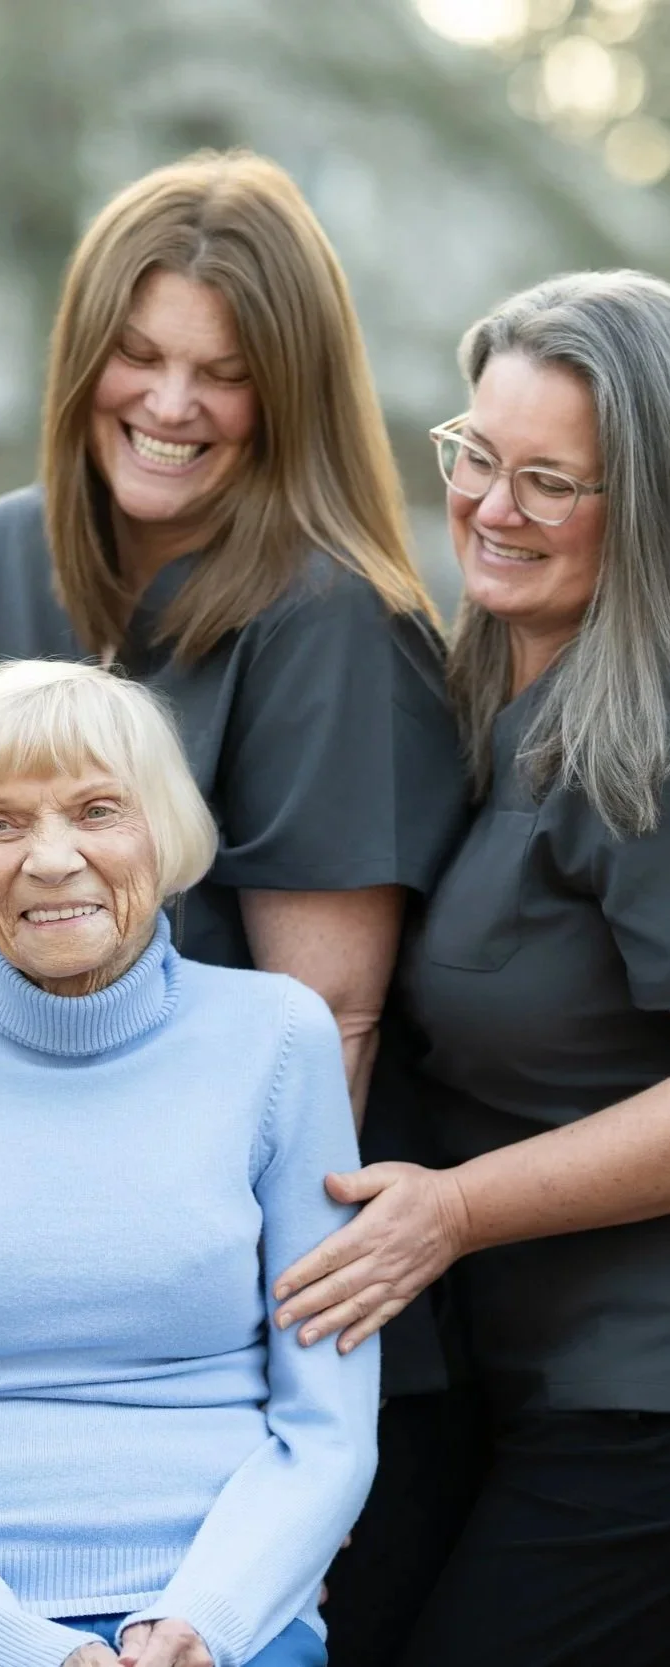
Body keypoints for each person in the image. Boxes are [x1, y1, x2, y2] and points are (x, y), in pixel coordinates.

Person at [0, 149, 470, 1664]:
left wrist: (254, 1400)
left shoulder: (326, 614)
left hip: (244, 1345)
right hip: (10, 1340)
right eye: (141, 354)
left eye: (221, 376)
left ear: (282, 394)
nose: (168, 403)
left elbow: (327, 1031)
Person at [0, 659, 380, 1667]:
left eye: (97, 809)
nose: (50, 859)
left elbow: (329, 1424)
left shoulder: (277, 1037)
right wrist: (19, 1645)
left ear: (165, 835)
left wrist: (204, 1622)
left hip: (219, 1615)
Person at [270, 270, 670, 1666]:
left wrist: (449, 1210)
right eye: (474, 456)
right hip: (519, 1381)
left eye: (550, 481)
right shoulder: (475, 686)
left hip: (643, 1401)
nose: (492, 508)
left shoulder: (644, 744)